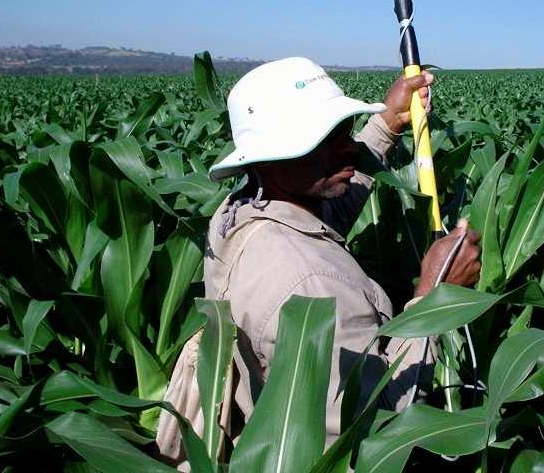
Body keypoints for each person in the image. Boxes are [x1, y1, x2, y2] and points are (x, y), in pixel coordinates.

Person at [157, 57, 481, 463]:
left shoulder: (242, 212)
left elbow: (325, 217)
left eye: (343, 131)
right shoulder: (310, 289)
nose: (348, 148)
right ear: (269, 158)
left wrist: (385, 125)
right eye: (322, 140)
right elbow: (379, 423)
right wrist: (435, 296)